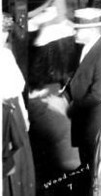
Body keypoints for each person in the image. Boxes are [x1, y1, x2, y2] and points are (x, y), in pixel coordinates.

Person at [66, 8, 101, 165]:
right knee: (86, 160)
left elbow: (98, 95)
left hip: (93, 121)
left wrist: (71, 108)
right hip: (84, 115)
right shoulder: (87, 46)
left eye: (77, 29)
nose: (74, 32)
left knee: (93, 163)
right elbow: (79, 77)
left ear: (91, 29)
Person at [2, 13, 36, 196]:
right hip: (4, 117)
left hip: (15, 114)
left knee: (19, 159)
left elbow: (17, 93)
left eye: (5, 33)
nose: (4, 37)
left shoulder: (7, 55)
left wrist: (24, 115)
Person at [27, 0, 77, 90]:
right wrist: (25, 15)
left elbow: (60, 18)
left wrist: (43, 23)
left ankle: (51, 85)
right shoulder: (51, 0)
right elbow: (39, 10)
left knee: (51, 62)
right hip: (50, 30)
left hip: (58, 32)